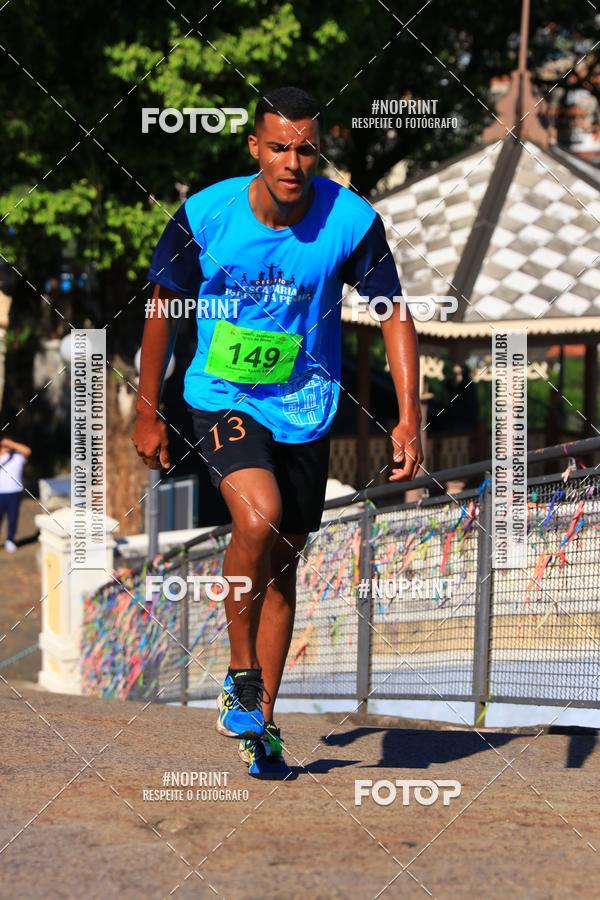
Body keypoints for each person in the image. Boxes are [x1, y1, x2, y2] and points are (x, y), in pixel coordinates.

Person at [133, 86, 423, 778]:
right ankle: (240, 677)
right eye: (279, 148)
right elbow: (163, 307)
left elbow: (393, 313)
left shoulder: (350, 221)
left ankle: (261, 728)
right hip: (223, 396)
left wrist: (409, 416)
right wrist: (146, 409)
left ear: (319, 151)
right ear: (254, 148)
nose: (293, 162)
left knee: (283, 570)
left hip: (307, 408)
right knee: (256, 516)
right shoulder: (207, 215)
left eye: (306, 149)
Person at [0, 436, 31, 552]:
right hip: (0, 493)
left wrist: (11, 444)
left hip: (14, 492)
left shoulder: (18, 457)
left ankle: (10, 540)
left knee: (12, 517)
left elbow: (27, 451)